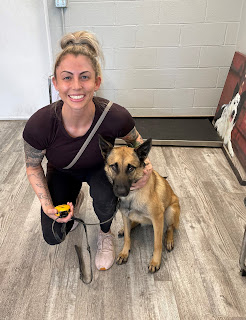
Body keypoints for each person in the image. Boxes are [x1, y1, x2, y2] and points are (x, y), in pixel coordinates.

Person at [23, 31, 152, 271]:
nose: (76, 86)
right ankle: (75, 197)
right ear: (56, 83)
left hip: (99, 169)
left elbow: (137, 144)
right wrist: (46, 204)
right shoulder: (40, 124)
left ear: (97, 82)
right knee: (53, 235)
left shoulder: (115, 116)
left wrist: (146, 168)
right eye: (67, 78)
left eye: (84, 77)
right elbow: (32, 166)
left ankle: (105, 234)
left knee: (105, 198)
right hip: (62, 170)